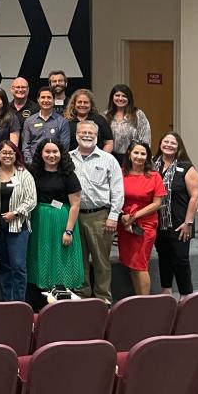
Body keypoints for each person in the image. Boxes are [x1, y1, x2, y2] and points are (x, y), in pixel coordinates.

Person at [69, 120, 125, 304]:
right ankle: (83, 295)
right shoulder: (67, 158)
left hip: (100, 216)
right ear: (76, 135)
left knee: (101, 260)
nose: (86, 135)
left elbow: (117, 190)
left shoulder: (108, 160)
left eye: (90, 133)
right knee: (79, 259)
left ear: (97, 136)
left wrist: (113, 217)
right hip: (74, 216)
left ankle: (103, 298)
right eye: (83, 132)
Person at [0, 140, 36, 302]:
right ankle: (6, 303)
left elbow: (31, 199)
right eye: (4, 152)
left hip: (18, 226)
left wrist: (16, 213)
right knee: (4, 266)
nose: (7, 156)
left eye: (10, 153)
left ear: (15, 155)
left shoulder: (23, 173)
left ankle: (19, 303)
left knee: (18, 266)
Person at [27, 139, 84, 292]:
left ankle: (61, 295)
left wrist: (69, 231)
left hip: (61, 220)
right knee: (41, 254)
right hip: (39, 220)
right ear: (41, 153)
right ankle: (40, 297)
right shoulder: (34, 173)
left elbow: (75, 205)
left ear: (61, 153)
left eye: (55, 152)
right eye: (47, 151)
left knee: (60, 257)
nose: (51, 155)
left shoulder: (68, 175)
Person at [153, 132, 198, 296]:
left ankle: (186, 295)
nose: (168, 145)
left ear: (178, 146)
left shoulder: (186, 167)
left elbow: (195, 197)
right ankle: (166, 291)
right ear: (160, 144)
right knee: (164, 257)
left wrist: (188, 223)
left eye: (173, 143)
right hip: (159, 222)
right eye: (165, 141)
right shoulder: (153, 164)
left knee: (181, 259)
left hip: (181, 222)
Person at [118, 142, 165, 295]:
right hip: (125, 224)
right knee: (131, 263)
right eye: (136, 153)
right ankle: (138, 298)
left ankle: (145, 303)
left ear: (147, 157)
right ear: (129, 154)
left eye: (143, 154)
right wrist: (124, 217)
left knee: (140, 264)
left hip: (145, 224)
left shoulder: (154, 176)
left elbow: (157, 203)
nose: (139, 157)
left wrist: (134, 216)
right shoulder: (121, 172)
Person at [21, 86, 70, 164]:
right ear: (38, 100)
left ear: (54, 100)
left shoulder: (63, 122)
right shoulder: (29, 121)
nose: (46, 100)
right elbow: (25, 147)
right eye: (43, 97)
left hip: (55, 165)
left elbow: (64, 148)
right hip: (34, 165)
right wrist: (31, 165)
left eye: (49, 97)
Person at [107, 84, 152, 166]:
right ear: (112, 97)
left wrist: (141, 155)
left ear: (129, 98)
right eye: (117, 95)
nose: (120, 98)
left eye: (124, 96)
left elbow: (146, 138)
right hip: (111, 158)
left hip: (133, 158)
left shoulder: (138, 115)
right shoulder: (106, 115)